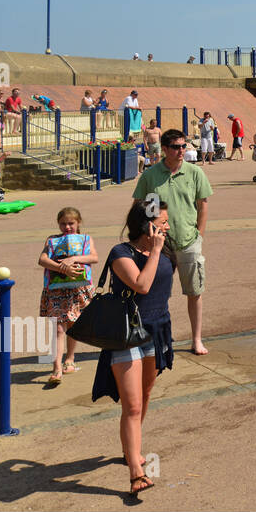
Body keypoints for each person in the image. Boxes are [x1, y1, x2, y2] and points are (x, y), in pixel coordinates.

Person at [92, 200, 177, 496]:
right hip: (126, 334)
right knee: (133, 405)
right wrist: (154, 252)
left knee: (147, 394)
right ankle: (136, 473)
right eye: (161, 223)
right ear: (145, 225)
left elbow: (163, 286)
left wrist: (158, 249)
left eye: (166, 222)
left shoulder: (166, 247)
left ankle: (132, 447)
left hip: (156, 330)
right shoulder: (121, 253)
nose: (166, 227)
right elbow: (142, 284)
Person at [131, 129, 213, 356]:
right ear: (164, 149)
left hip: (188, 241)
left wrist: (200, 234)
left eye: (183, 146)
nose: (181, 151)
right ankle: (158, 337)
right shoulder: (150, 176)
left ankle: (196, 339)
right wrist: (146, 237)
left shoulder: (194, 173)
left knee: (195, 291)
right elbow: (143, 206)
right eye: (176, 147)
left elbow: (202, 203)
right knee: (156, 293)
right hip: (159, 243)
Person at [38, 206, 99, 385]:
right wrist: (60, 267)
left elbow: (94, 257)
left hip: (78, 288)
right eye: (63, 224)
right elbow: (42, 259)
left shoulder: (86, 239)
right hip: (57, 289)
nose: (67, 227)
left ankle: (70, 359)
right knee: (58, 328)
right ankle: (56, 368)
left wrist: (74, 259)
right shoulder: (52, 240)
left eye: (71, 223)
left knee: (74, 325)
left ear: (78, 223)